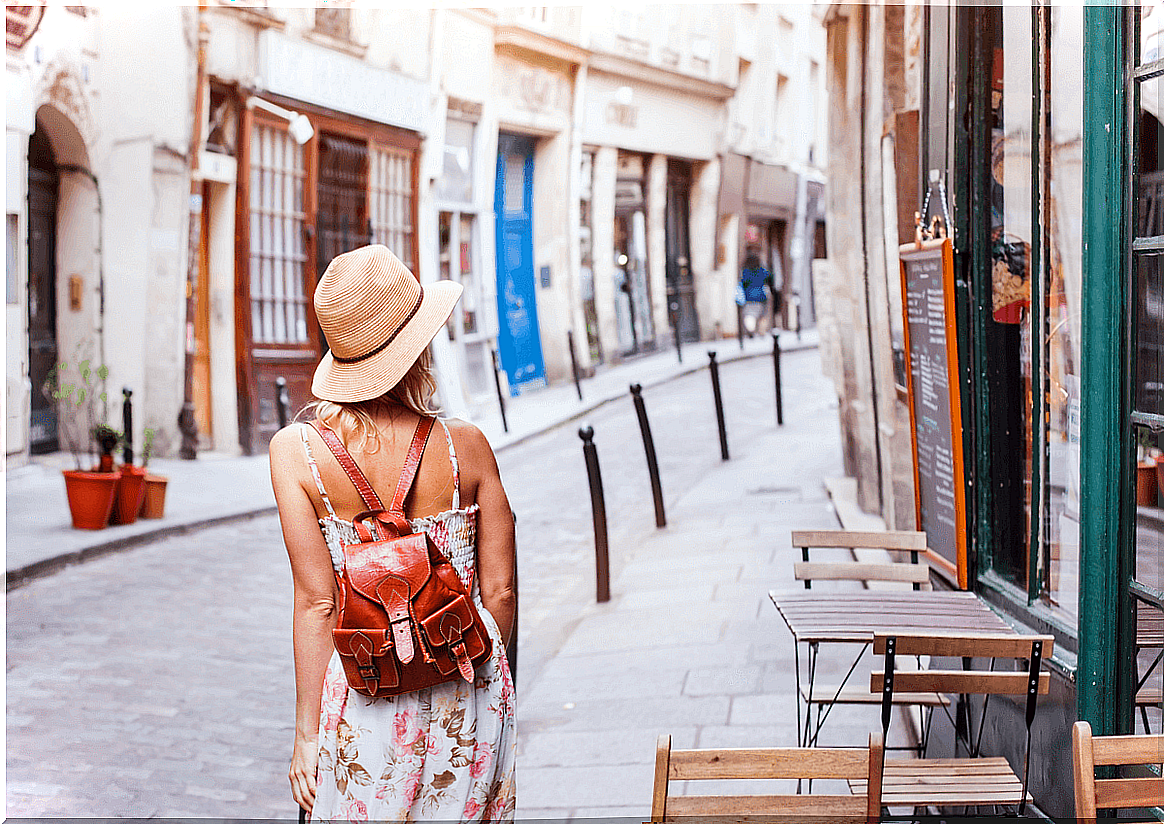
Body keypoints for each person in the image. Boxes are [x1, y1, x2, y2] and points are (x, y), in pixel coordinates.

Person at [269, 245, 517, 822]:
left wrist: (307, 735)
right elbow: (499, 592)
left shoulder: (295, 454)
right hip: (467, 688)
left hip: (364, 691)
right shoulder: (466, 445)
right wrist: (496, 683)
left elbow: (316, 602)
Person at [739, 248, 772, 337]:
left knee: (750, 314)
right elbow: (769, 277)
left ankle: (751, 329)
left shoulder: (745, 271)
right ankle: (761, 330)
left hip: (749, 297)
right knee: (762, 314)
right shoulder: (761, 270)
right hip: (761, 296)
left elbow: (742, 282)